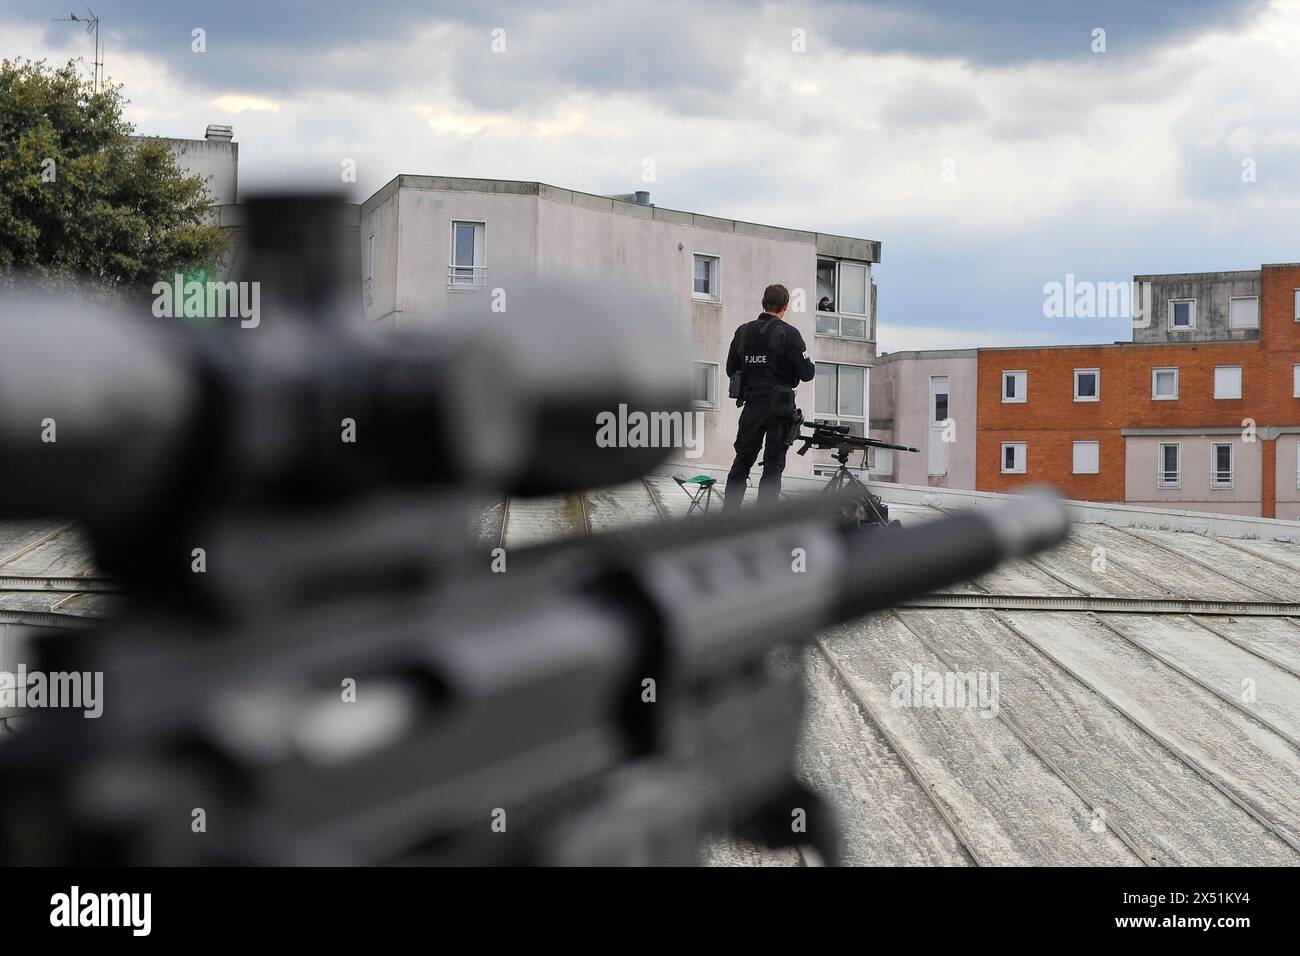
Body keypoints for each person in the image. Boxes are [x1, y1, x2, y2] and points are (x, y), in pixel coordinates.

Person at [722, 284, 816, 512]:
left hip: (752, 405)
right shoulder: (789, 333)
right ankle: (762, 522)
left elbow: (730, 369)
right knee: (773, 466)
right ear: (786, 306)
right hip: (780, 408)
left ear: (763, 304)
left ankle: (727, 516)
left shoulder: (743, 331)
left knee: (742, 461)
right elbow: (807, 373)